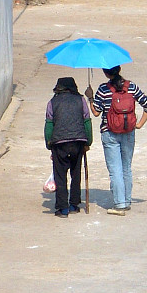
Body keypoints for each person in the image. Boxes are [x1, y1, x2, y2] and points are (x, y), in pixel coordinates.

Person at [88, 66, 147, 216]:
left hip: (109, 133)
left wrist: (90, 97)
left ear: (105, 73)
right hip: (129, 131)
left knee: (115, 170)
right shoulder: (131, 87)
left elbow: (96, 112)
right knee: (126, 168)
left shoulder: (103, 89)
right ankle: (127, 200)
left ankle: (120, 204)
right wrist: (139, 124)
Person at [44, 76, 92, 217]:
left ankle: (62, 209)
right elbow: (87, 121)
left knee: (60, 176)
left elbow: (49, 125)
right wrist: (88, 142)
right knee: (76, 173)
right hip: (78, 142)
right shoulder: (81, 100)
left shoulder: (52, 102)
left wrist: (49, 144)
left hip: (59, 143)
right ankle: (74, 204)